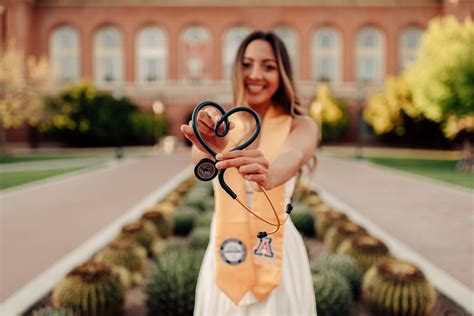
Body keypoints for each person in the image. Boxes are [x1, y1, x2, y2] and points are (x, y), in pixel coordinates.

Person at [181, 31, 318, 316]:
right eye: (247, 64)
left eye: (268, 66)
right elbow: (201, 159)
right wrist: (213, 148)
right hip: (226, 252)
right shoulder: (223, 124)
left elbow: (292, 156)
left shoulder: (300, 125)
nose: (255, 74)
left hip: (278, 256)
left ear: (282, 72)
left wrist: (269, 175)